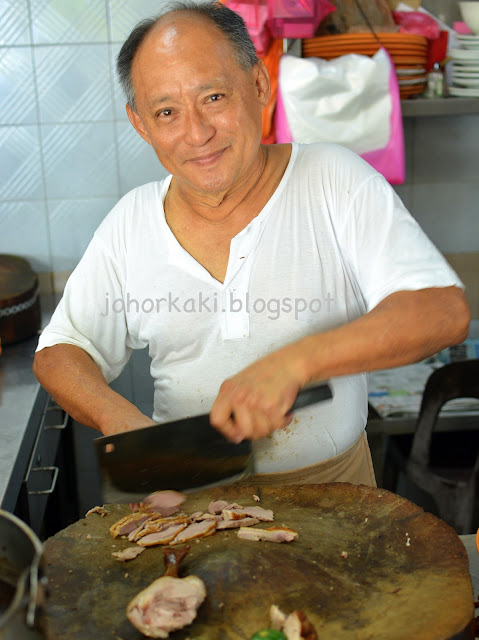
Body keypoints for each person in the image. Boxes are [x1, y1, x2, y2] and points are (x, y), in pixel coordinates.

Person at [33, 0, 470, 488]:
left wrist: (297, 362)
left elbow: (443, 312)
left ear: (259, 84)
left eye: (214, 97)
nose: (196, 133)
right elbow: (61, 349)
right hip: (188, 497)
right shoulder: (130, 224)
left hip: (336, 496)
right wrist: (120, 421)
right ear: (141, 124)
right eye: (167, 112)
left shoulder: (334, 180)